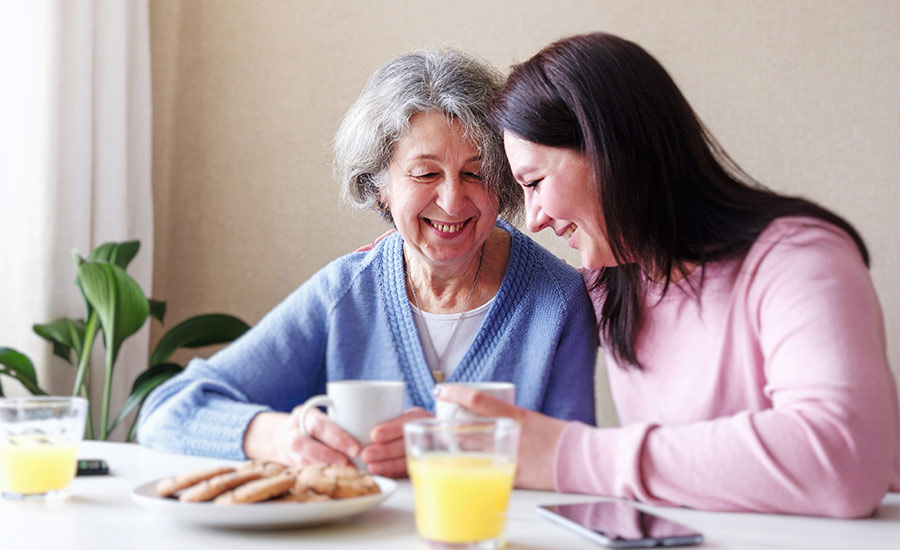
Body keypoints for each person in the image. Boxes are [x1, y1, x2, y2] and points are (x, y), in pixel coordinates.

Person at [436, 32, 899, 517]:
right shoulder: (613, 282)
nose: (534, 219)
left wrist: (567, 455)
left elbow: (844, 462)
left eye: (534, 182)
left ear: (611, 151)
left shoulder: (800, 259)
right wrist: (405, 252)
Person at [137, 49, 598, 478]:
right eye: (425, 173)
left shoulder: (557, 301)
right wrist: (283, 439)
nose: (453, 200)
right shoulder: (344, 294)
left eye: (476, 173)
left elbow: (577, 469)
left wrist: (443, 449)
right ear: (380, 185)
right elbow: (167, 411)